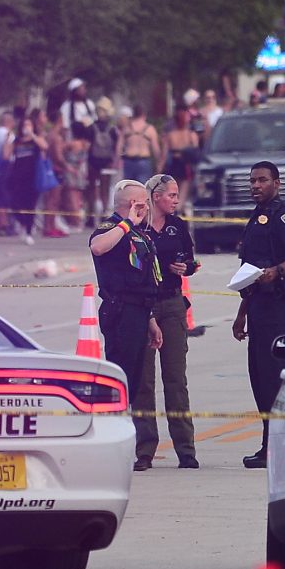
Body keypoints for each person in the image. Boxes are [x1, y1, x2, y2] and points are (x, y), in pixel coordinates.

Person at [230, 161, 285, 468]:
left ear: (276, 183)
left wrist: (276, 272)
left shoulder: (283, 215)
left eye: (262, 180)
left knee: (271, 374)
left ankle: (279, 446)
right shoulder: (254, 219)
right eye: (252, 181)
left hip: (277, 303)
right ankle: (270, 444)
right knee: (259, 376)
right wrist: (241, 315)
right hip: (257, 305)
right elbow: (250, 272)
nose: (256, 185)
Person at [89, 178, 169, 471]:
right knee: (119, 383)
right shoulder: (112, 229)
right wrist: (125, 223)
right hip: (120, 313)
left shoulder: (140, 234)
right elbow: (98, 248)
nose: (146, 207)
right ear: (128, 205)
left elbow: (144, 277)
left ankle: (128, 446)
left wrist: (150, 320)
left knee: (133, 385)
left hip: (139, 313)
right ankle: (109, 446)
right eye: (141, 202)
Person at [144, 174, 202, 467]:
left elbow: (192, 261)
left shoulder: (177, 226)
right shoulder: (138, 227)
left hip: (172, 303)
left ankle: (186, 450)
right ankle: (144, 451)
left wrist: (186, 267)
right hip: (143, 305)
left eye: (177, 196)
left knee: (176, 379)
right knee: (143, 381)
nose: (176, 201)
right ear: (156, 196)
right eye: (172, 196)